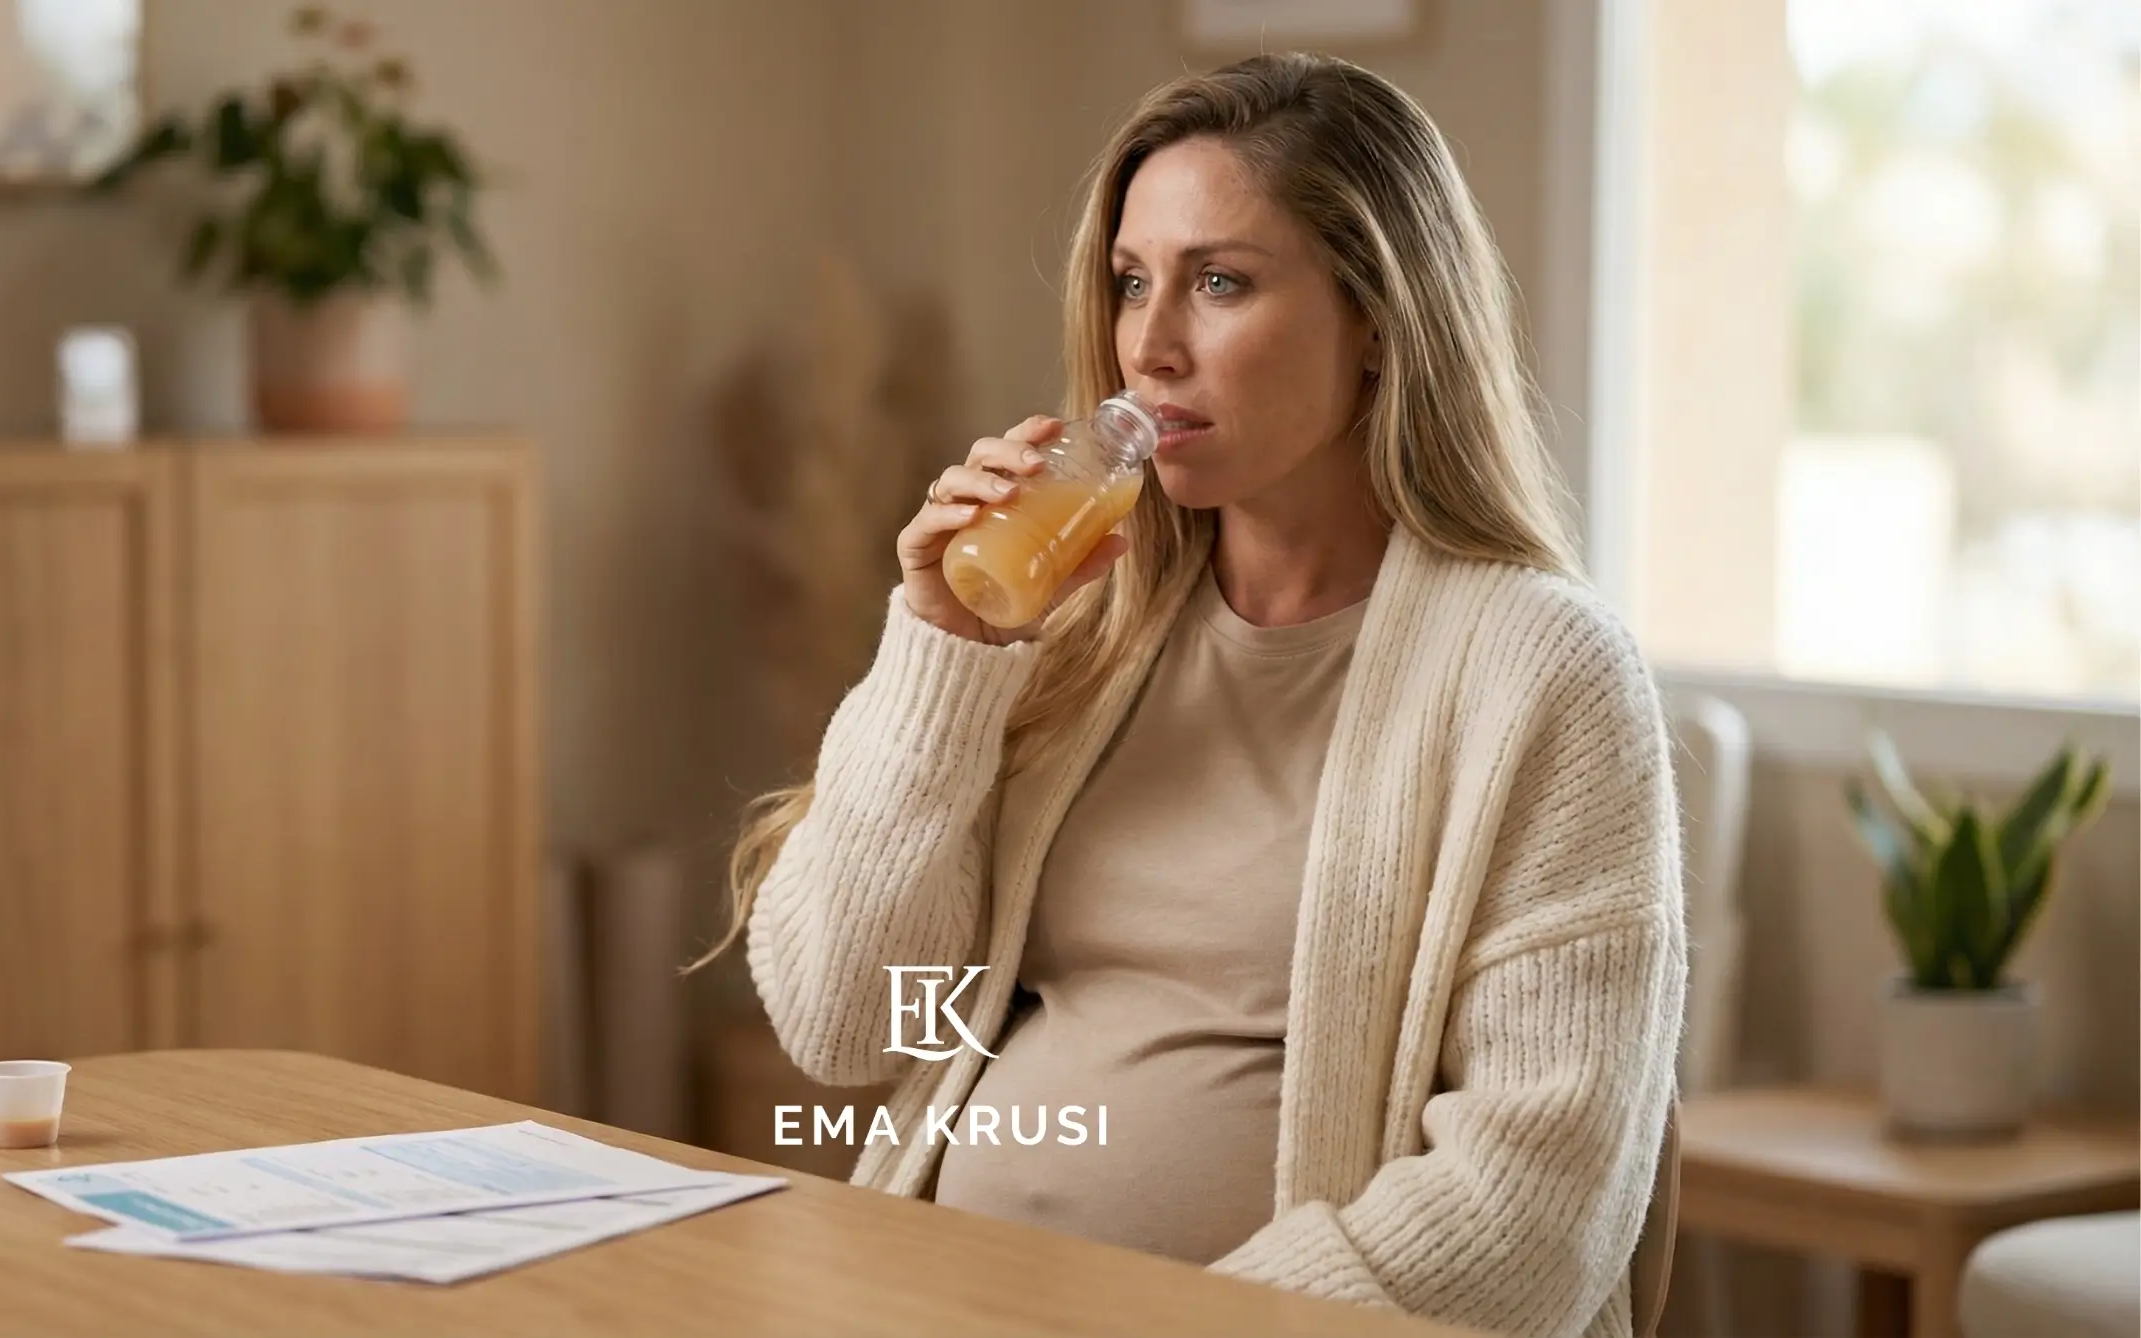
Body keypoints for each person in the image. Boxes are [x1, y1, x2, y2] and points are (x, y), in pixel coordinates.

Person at [700, 52, 1685, 1338]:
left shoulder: (1544, 676)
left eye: (1219, 283)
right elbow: (843, 1024)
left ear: (1379, 316)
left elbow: (1529, 1215)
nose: (1150, 348)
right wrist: (938, 651)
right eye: (1131, 284)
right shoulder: (1073, 628)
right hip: (934, 1294)